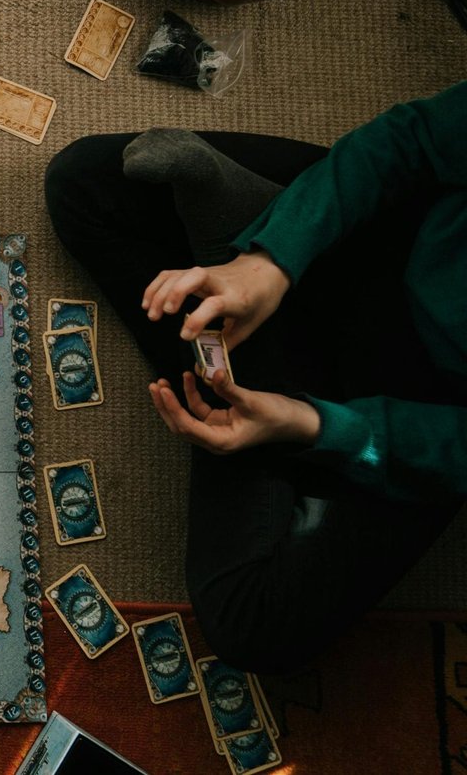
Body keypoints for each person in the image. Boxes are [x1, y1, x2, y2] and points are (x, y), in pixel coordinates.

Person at [45, 83, 467, 674]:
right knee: (86, 181)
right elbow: (415, 138)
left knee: (253, 627)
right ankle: (237, 274)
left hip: (426, 412)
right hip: (394, 240)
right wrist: (269, 262)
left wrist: (314, 425)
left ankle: (230, 348)